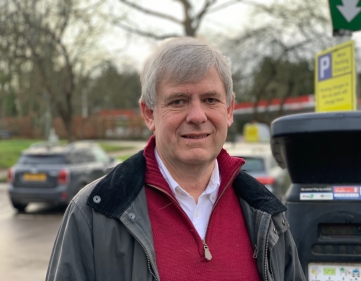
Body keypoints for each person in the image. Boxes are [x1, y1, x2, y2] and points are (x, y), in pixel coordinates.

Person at [46, 37, 306, 281]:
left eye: (210, 99)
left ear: (229, 110)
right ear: (149, 114)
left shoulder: (267, 213)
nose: (196, 116)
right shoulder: (93, 213)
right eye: (178, 101)